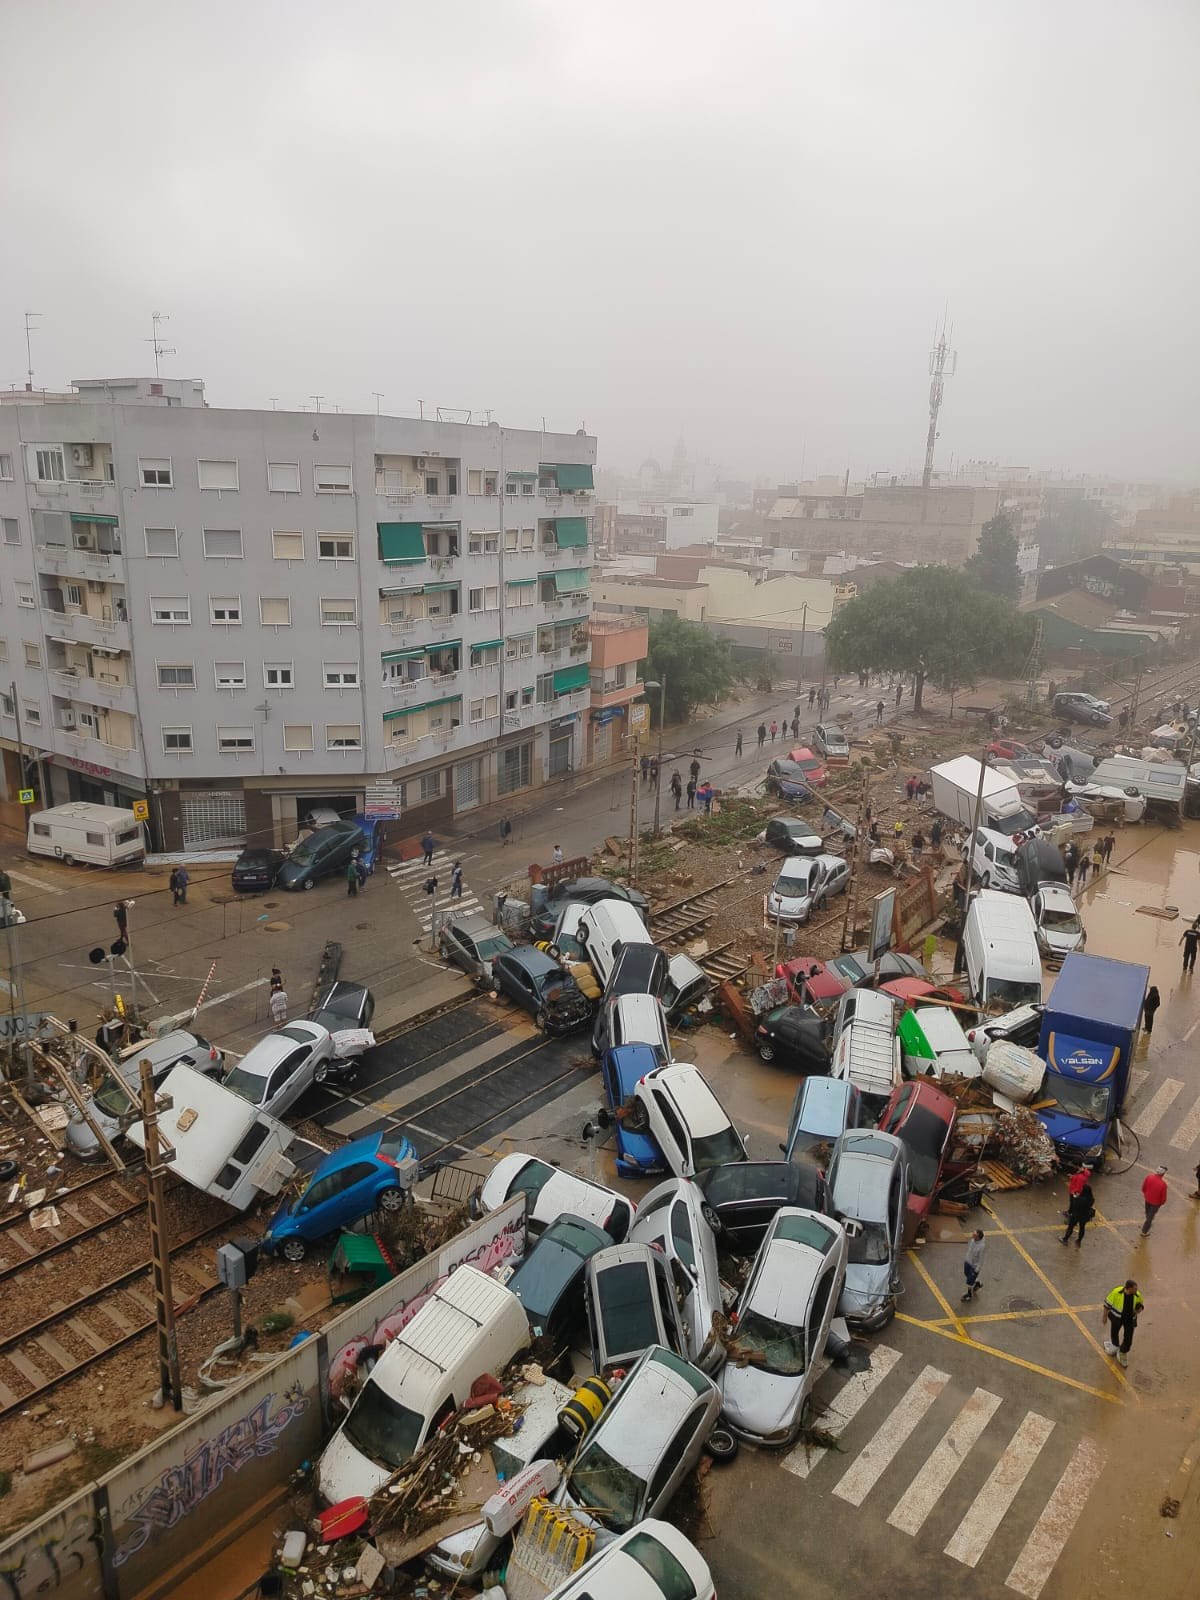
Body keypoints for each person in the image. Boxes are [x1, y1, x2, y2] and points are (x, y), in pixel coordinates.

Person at [1102, 1279, 1143, 1366]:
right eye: (1134, 1289)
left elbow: (1140, 1305)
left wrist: (1138, 1310)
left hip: (1130, 1320)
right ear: (1128, 1288)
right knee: (1114, 1332)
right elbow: (1107, 1304)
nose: (1136, 1290)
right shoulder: (1116, 1292)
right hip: (1117, 1318)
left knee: (1128, 1338)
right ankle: (1114, 1345)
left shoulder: (1137, 1295)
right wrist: (1104, 1316)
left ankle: (1122, 1351)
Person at [1061, 1179, 1095, 1247]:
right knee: (1082, 1228)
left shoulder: (1079, 1199)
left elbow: (1074, 1205)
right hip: (1085, 1216)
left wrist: (1075, 1197)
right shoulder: (1091, 1199)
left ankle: (1065, 1239)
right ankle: (1078, 1241)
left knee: (1071, 1227)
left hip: (1076, 1215)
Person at [1141, 1165, 1168, 1234]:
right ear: (1163, 1174)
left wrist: (1146, 1195)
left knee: (1148, 1212)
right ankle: (1144, 1231)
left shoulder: (1149, 1177)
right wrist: (1161, 1203)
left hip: (1147, 1199)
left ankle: (1147, 1222)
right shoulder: (1163, 1184)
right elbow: (1163, 1198)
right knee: (1150, 1216)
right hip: (1155, 1203)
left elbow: (1143, 1188)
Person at [961, 1229, 985, 1302]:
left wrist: (977, 1269)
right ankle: (978, 1283)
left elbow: (981, 1259)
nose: (972, 1236)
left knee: (969, 1281)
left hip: (974, 1266)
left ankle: (969, 1295)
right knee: (966, 1274)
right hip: (968, 1262)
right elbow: (969, 1251)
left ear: (978, 1237)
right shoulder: (972, 1241)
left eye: (974, 1235)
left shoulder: (982, 1247)